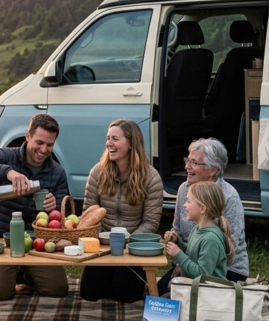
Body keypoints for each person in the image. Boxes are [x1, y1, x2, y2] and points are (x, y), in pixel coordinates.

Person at [0, 114, 71, 301]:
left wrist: (53, 207)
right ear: (28, 136)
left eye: (50, 145)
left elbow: (66, 215)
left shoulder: (57, 172)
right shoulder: (8, 156)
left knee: (58, 289)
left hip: (36, 242)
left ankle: (25, 273)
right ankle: (11, 272)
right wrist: (8, 172)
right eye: (39, 142)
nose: (43, 149)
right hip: (2, 238)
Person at [79, 119, 163, 303]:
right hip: (102, 246)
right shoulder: (98, 172)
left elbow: (151, 222)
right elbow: (88, 214)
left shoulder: (151, 177)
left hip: (132, 247)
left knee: (124, 295)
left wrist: (126, 243)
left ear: (131, 143)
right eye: (108, 138)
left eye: (115, 139)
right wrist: (103, 241)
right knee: (89, 293)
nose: (109, 143)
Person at [159, 138, 250, 293]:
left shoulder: (229, 197)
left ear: (212, 170)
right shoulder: (184, 189)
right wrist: (177, 245)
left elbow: (229, 249)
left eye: (194, 162)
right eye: (188, 160)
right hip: (191, 260)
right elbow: (178, 230)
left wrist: (185, 265)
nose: (187, 166)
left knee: (183, 297)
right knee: (162, 289)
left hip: (222, 269)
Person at [162, 181, 235, 286]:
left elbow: (202, 274)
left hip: (207, 293)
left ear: (202, 208)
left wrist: (178, 254)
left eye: (188, 201)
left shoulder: (211, 239)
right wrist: (178, 243)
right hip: (195, 289)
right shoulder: (197, 230)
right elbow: (194, 253)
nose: (184, 205)